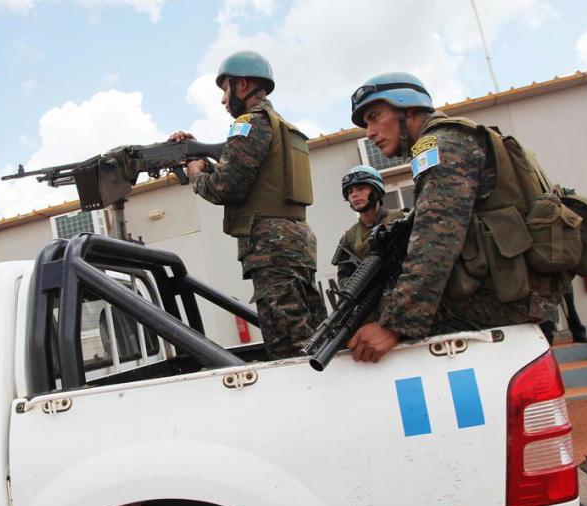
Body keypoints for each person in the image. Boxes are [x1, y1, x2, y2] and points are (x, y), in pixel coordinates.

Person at [345, 72, 566, 362]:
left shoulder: (440, 143)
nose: (370, 132)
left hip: (506, 301)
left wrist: (394, 325)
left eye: (374, 116)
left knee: (368, 333)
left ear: (407, 109)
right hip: (518, 293)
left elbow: (436, 242)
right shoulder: (458, 137)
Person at [168, 51, 326, 359]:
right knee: (311, 335)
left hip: (271, 247)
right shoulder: (280, 125)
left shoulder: (249, 124)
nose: (223, 100)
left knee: (289, 349)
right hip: (295, 242)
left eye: (225, 90)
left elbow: (225, 188)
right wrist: (196, 152)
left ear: (241, 85)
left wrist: (197, 174)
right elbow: (249, 177)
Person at [334, 165, 405, 288]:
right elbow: (343, 278)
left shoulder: (402, 218)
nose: (354, 195)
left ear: (376, 190)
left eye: (360, 188)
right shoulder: (349, 238)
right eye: (350, 192)